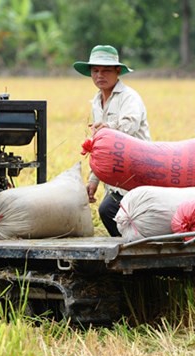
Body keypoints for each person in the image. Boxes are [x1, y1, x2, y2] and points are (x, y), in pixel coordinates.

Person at [73, 45, 151, 236]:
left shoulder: (129, 97)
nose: (100, 75)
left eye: (106, 70)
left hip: (137, 169)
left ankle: (134, 251)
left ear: (118, 71)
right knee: (113, 213)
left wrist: (109, 130)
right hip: (116, 174)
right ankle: (131, 250)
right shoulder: (96, 102)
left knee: (109, 210)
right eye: (95, 70)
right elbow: (100, 147)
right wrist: (93, 180)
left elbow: (129, 126)